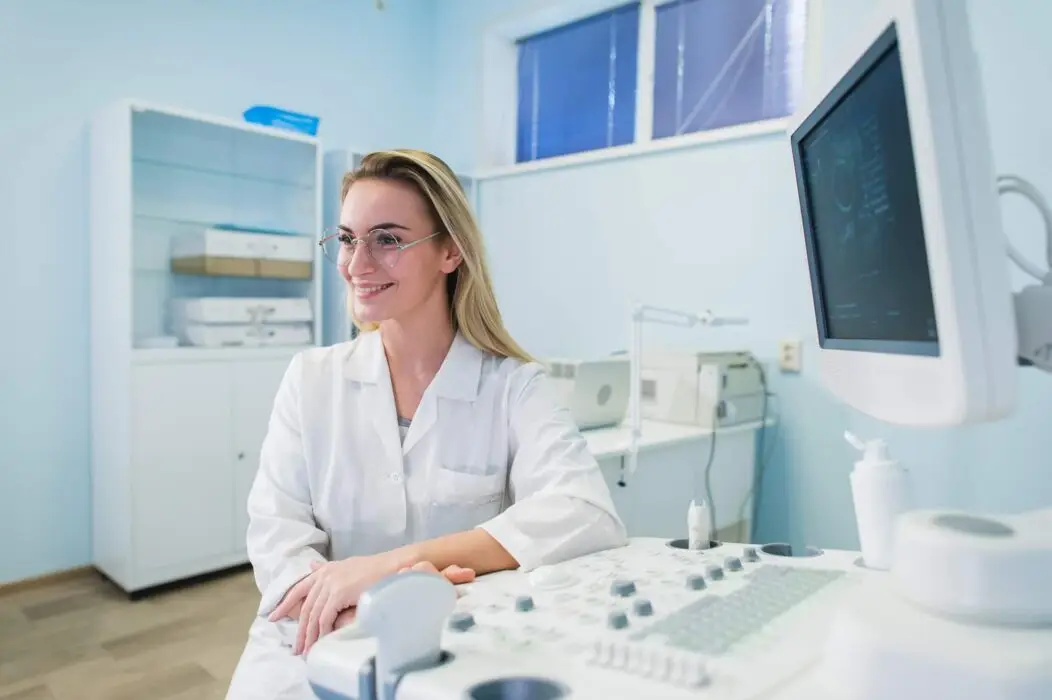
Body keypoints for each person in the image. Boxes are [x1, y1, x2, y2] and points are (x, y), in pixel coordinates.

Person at [225, 149, 628, 699]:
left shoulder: (515, 387)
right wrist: (361, 612)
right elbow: (278, 537)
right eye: (346, 239)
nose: (356, 264)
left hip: (454, 645)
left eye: (387, 239)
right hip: (310, 643)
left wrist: (393, 567)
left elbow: (585, 514)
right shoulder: (311, 379)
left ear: (449, 251)